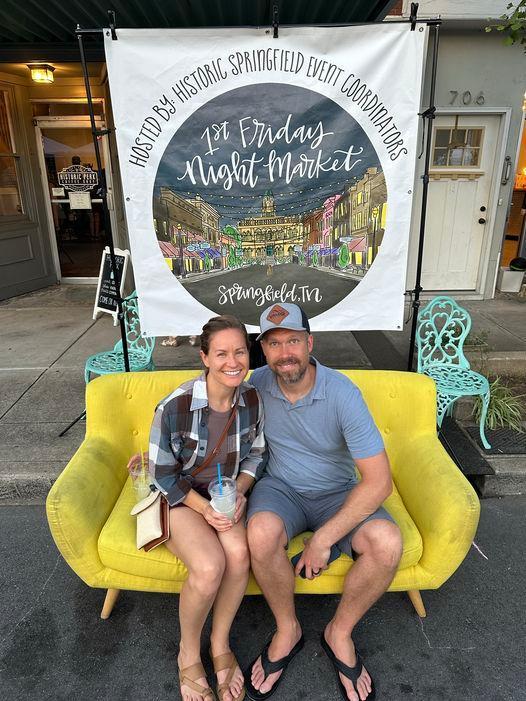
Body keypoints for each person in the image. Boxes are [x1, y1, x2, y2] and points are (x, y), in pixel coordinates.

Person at [244, 303, 403, 701]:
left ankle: (339, 632)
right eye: (274, 344)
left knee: (387, 543)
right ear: (263, 350)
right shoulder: (254, 384)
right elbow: (207, 406)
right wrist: (167, 450)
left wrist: (323, 539)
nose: (285, 353)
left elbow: (379, 482)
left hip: (338, 492)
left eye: (293, 341)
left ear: (310, 343)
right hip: (281, 488)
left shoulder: (342, 393)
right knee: (260, 533)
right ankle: (287, 629)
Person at [129, 315, 265, 701]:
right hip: (180, 498)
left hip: (224, 496)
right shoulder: (176, 406)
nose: (232, 362)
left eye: (240, 352)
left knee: (239, 554)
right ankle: (188, 653)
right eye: (221, 353)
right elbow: (163, 474)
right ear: (204, 357)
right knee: (208, 567)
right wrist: (204, 509)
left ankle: (220, 643)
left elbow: (257, 453)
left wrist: (241, 491)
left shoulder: (252, 399)